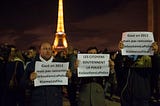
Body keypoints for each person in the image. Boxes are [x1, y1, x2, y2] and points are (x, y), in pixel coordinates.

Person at [22, 42, 71, 106]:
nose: (47, 51)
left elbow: (68, 86)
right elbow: (22, 84)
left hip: (55, 101)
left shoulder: (60, 64)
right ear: (40, 51)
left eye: (49, 49)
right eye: (45, 49)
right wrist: (30, 80)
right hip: (38, 102)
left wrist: (69, 78)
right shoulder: (31, 65)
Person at [118, 41, 156, 106]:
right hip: (126, 98)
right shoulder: (127, 61)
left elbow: (156, 70)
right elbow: (118, 71)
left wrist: (155, 54)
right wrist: (121, 52)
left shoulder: (147, 61)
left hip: (142, 100)